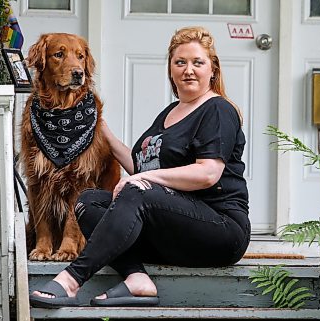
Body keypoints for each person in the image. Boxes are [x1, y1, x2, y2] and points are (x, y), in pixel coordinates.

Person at [29, 26, 250, 308]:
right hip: (171, 231)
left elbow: (208, 173)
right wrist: (100, 129)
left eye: (198, 62)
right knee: (89, 202)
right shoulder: (169, 113)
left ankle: (70, 280)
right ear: (171, 70)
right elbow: (140, 167)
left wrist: (144, 179)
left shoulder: (217, 109)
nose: (188, 70)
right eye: (180, 62)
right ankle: (136, 278)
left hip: (219, 230)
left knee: (139, 190)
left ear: (213, 69)